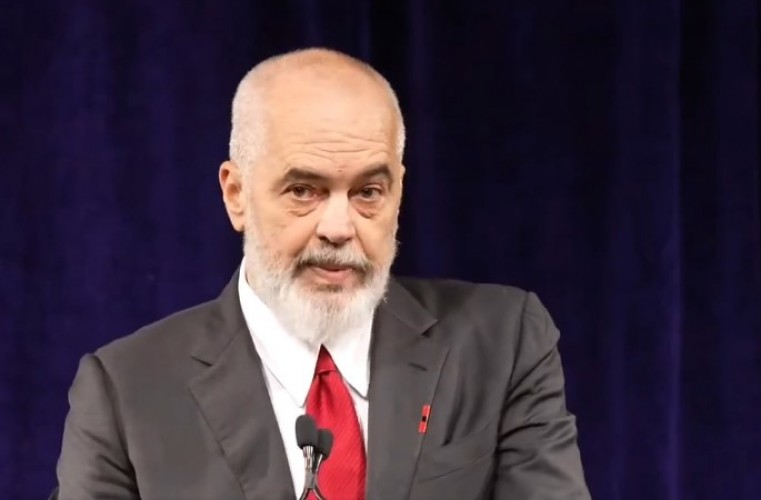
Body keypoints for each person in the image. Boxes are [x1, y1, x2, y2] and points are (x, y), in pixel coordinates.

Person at [53, 48, 591, 500]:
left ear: (399, 193)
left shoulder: (502, 344)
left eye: (368, 192)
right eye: (303, 191)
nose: (339, 228)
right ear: (236, 194)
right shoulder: (127, 392)